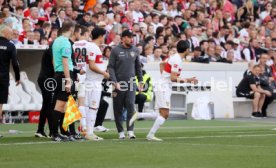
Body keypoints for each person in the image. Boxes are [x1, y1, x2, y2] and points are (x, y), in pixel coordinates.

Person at [130, 40, 198, 141]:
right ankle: (150, 135)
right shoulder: (177, 60)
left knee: (159, 114)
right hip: (163, 87)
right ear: (187, 50)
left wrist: (164, 77)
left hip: (163, 86)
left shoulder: (174, 58)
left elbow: (161, 64)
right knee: (165, 114)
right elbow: (173, 78)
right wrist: (189, 80)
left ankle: (139, 115)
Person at [108, 29, 143, 140]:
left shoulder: (135, 50)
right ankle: (120, 132)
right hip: (118, 83)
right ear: (122, 38)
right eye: (127, 36)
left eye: (131, 36)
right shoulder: (115, 50)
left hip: (132, 83)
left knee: (131, 106)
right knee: (118, 108)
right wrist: (114, 81)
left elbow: (138, 67)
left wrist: (140, 80)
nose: (130, 38)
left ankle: (131, 131)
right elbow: (110, 67)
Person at [51, 21, 75, 142]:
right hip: (64, 74)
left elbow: (54, 60)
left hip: (58, 73)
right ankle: (55, 133)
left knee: (63, 105)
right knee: (60, 105)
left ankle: (61, 131)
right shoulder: (65, 42)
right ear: (70, 29)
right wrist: (68, 80)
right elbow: (65, 62)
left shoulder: (56, 41)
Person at [84, 27, 109, 140]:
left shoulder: (91, 46)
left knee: (88, 107)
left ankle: (86, 131)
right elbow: (92, 65)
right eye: (104, 36)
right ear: (100, 36)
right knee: (92, 107)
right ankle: (89, 133)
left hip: (91, 81)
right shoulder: (93, 47)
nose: (104, 38)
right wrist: (104, 73)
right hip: (93, 82)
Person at [0, 25, 20, 137]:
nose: (12, 36)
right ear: (6, 34)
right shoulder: (10, 46)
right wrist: (17, 77)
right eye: (11, 33)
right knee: (0, 105)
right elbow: (15, 64)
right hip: (2, 78)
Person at [72, 26, 90, 136]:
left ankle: (69, 128)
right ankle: (83, 127)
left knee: (70, 103)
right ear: (86, 33)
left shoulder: (73, 45)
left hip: (73, 75)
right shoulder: (89, 45)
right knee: (83, 104)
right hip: (84, 77)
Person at [35, 40, 54, 138]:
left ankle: (40, 130)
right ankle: (52, 131)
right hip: (47, 80)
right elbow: (56, 65)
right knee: (50, 105)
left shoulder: (50, 49)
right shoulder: (52, 50)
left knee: (46, 105)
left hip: (45, 78)